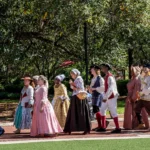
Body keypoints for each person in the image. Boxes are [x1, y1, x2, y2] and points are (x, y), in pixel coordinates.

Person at [64, 69, 91, 135]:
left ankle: (84, 128)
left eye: (72, 74)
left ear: (76, 74)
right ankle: (72, 128)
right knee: (74, 112)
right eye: (71, 74)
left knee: (79, 112)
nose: (71, 75)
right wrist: (72, 85)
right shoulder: (77, 79)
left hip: (79, 97)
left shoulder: (79, 78)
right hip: (76, 96)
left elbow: (80, 88)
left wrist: (73, 86)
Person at [99, 63, 121, 133]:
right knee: (102, 109)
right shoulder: (106, 76)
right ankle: (103, 126)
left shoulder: (110, 77)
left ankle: (117, 128)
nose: (102, 69)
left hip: (111, 97)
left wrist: (106, 97)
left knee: (113, 111)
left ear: (106, 68)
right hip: (107, 96)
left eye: (103, 67)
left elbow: (111, 88)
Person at [88, 65, 104, 131]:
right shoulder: (93, 79)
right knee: (95, 110)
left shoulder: (100, 78)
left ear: (95, 70)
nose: (91, 70)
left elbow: (103, 88)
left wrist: (94, 88)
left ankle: (101, 125)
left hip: (98, 95)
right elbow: (91, 88)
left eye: (92, 69)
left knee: (97, 109)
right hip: (94, 95)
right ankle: (100, 125)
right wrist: (89, 89)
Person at [135, 64, 150, 129]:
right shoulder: (144, 77)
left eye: (146, 68)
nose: (144, 69)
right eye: (144, 68)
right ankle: (141, 123)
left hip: (147, 97)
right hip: (142, 97)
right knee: (137, 109)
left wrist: (142, 92)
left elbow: (149, 88)